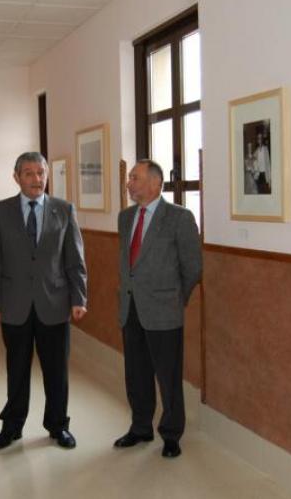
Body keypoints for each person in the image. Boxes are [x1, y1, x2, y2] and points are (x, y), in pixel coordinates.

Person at [0, 151, 88, 450]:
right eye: (28, 173)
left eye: (41, 173)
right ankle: (12, 426)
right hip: (14, 306)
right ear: (16, 177)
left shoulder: (63, 210)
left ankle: (58, 426)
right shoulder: (0, 211)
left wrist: (79, 296)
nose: (36, 179)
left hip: (54, 304)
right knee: (16, 370)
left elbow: (75, 260)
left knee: (57, 371)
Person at [113, 160, 202, 459]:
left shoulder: (179, 217)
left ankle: (171, 434)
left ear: (154, 183)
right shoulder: (125, 218)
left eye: (134, 178)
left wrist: (176, 297)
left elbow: (193, 267)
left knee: (168, 376)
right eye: (129, 178)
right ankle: (140, 427)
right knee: (136, 373)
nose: (129, 183)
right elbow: (128, 264)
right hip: (131, 308)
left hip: (164, 310)